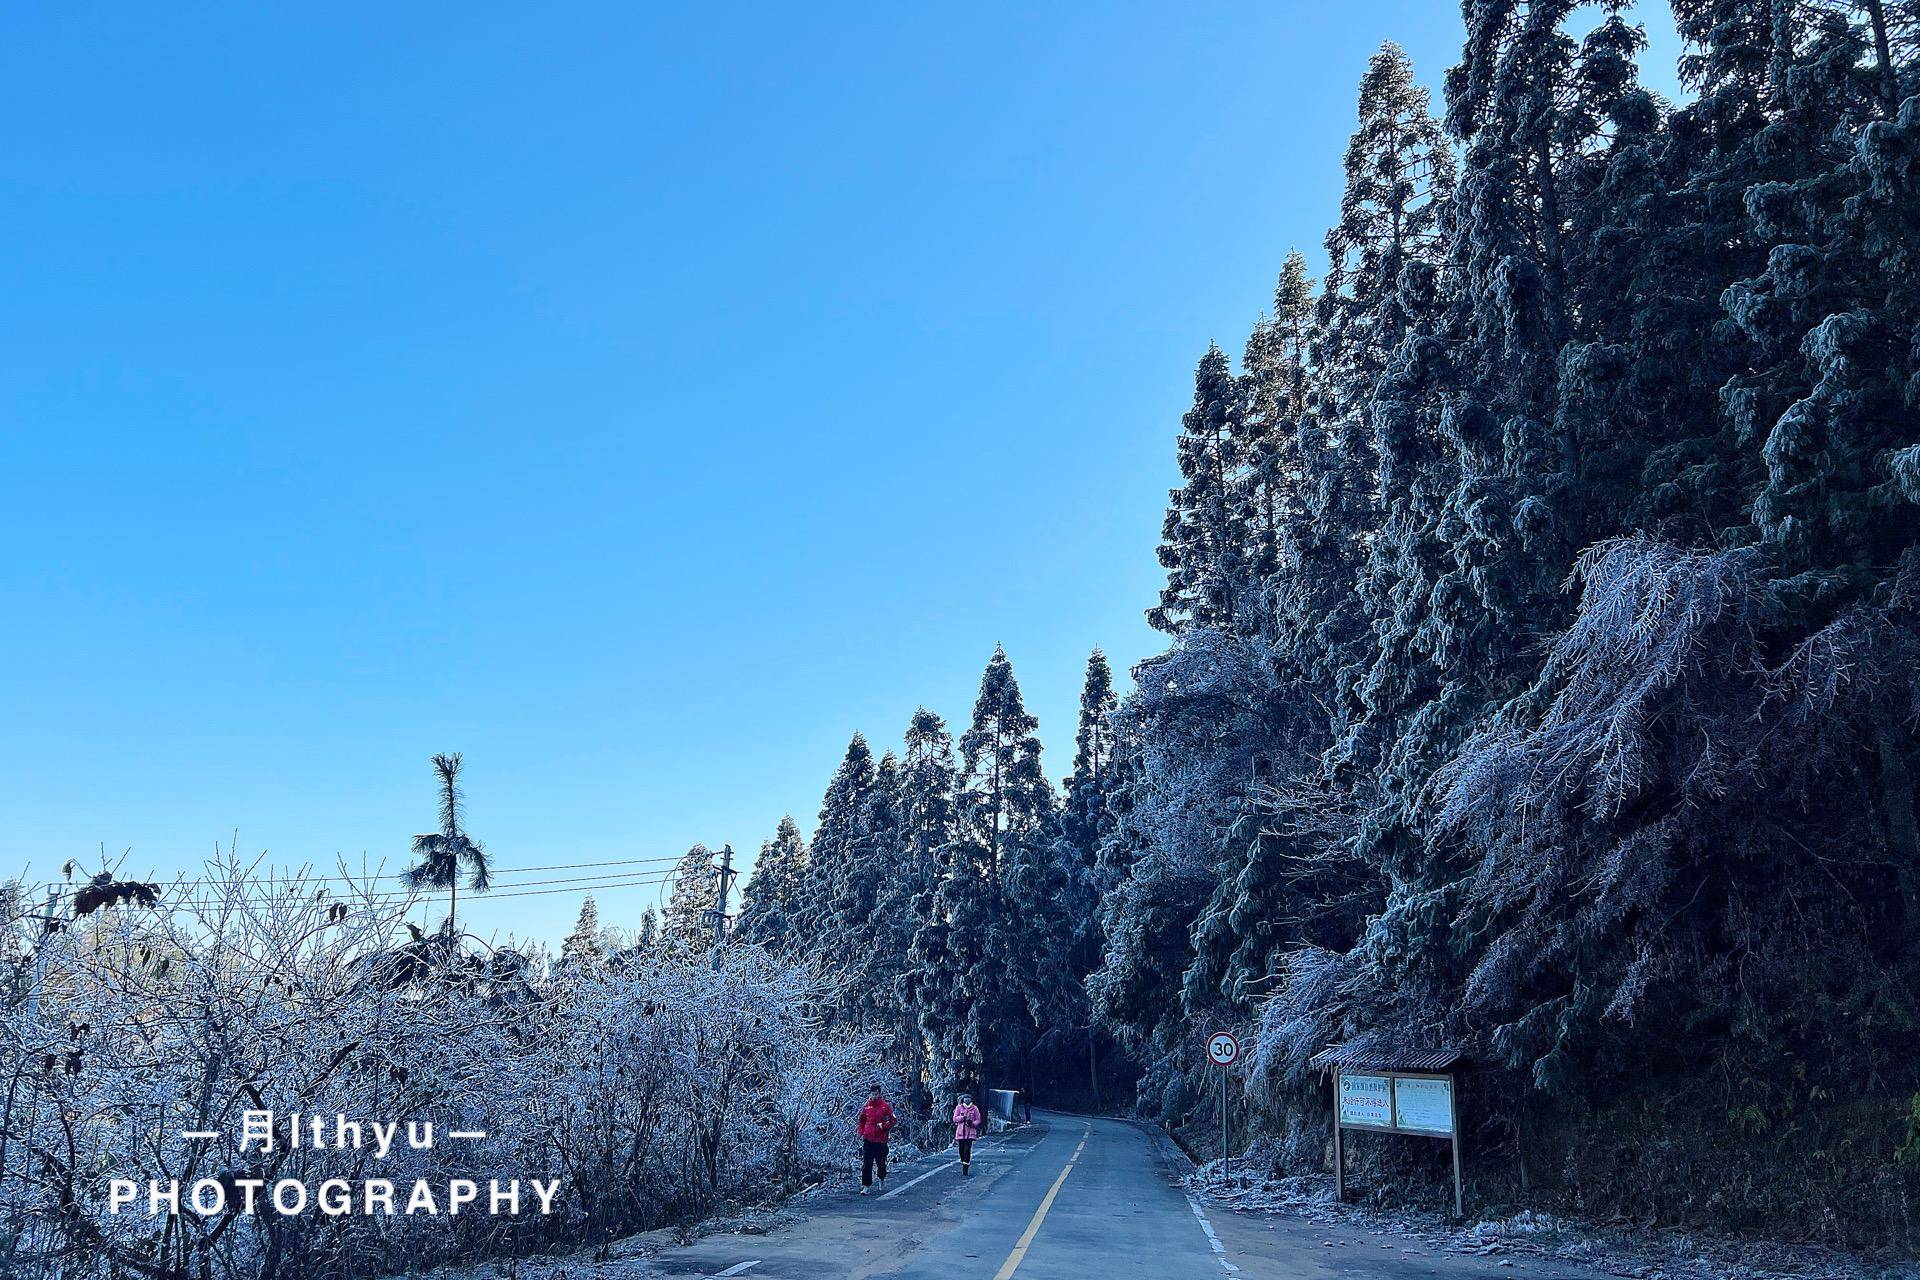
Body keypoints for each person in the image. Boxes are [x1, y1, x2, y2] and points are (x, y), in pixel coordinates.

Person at [857, 1084, 896, 1193]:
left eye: (876, 1094)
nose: (874, 1096)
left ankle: (881, 1177)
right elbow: (861, 1121)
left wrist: (884, 1126)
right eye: (872, 1094)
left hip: (881, 1140)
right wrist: (861, 1132)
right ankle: (866, 1186)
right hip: (868, 1139)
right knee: (867, 1163)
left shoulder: (885, 1106)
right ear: (870, 1094)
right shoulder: (866, 1107)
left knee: (881, 1162)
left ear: (879, 1094)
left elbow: (893, 1120)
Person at [951, 1092, 983, 1177]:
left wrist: (972, 1124)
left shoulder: (975, 1108)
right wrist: (962, 1118)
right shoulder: (959, 1107)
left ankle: (966, 1166)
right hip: (961, 1133)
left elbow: (978, 1119)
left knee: (967, 1149)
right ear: (963, 1100)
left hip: (970, 1133)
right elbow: (954, 1118)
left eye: (969, 1098)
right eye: (965, 1099)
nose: (967, 1100)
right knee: (961, 1149)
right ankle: (962, 1160)